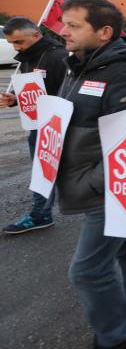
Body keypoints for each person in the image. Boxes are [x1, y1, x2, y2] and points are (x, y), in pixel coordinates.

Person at [55, 0, 126, 349]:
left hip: (109, 188)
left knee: (87, 269)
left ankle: (114, 338)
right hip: (94, 181)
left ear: (104, 32)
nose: (63, 31)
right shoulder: (81, 63)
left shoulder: (124, 71)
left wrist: (98, 183)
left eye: (72, 25)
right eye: (63, 23)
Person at [1, 17, 68, 234]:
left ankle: (105, 218)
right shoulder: (28, 58)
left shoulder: (59, 56)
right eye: (12, 43)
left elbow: (69, 91)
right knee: (42, 173)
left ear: (36, 35)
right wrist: (16, 98)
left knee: (76, 174)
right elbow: (35, 90)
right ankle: (41, 214)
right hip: (38, 125)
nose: (16, 47)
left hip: (62, 126)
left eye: (19, 41)